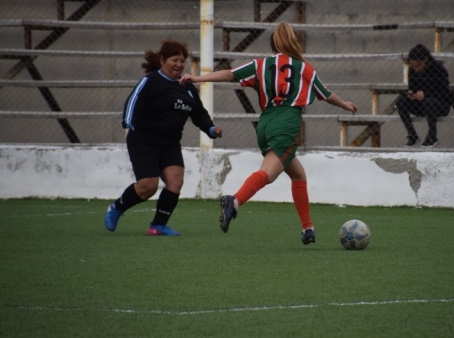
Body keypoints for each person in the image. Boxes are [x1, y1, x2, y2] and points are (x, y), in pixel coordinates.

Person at [178, 22, 358, 245]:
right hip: (287, 122)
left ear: (272, 44)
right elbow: (325, 93)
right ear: (294, 42)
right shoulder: (304, 68)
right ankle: (233, 202)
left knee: (298, 175)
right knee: (269, 174)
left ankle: (308, 229)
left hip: (265, 122)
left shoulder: (261, 65)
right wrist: (344, 105)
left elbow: (228, 74)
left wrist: (197, 78)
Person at [104, 39, 223, 236]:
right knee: (147, 187)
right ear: (162, 60)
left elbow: (198, 113)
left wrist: (211, 129)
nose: (179, 64)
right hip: (144, 141)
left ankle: (157, 225)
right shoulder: (151, 81)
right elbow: (133, 102)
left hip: (170, 144)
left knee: (175, 182)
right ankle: (116, 208)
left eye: (182, 61)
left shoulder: (187, 87)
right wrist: (128, 121)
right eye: (174, 60)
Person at [396, 44, 452, 147]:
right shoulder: (412, 71)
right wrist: (411, 94)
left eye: (418, 65)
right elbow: (413, 87)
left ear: (425, 60)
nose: (416, 69)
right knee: (400, 101)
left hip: (440, 105)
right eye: (413, 66)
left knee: (429, 102)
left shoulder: (439, 70)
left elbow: (444, 93)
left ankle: (432, 136)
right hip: (421, 105)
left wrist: (425, 95)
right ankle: (412, 135)